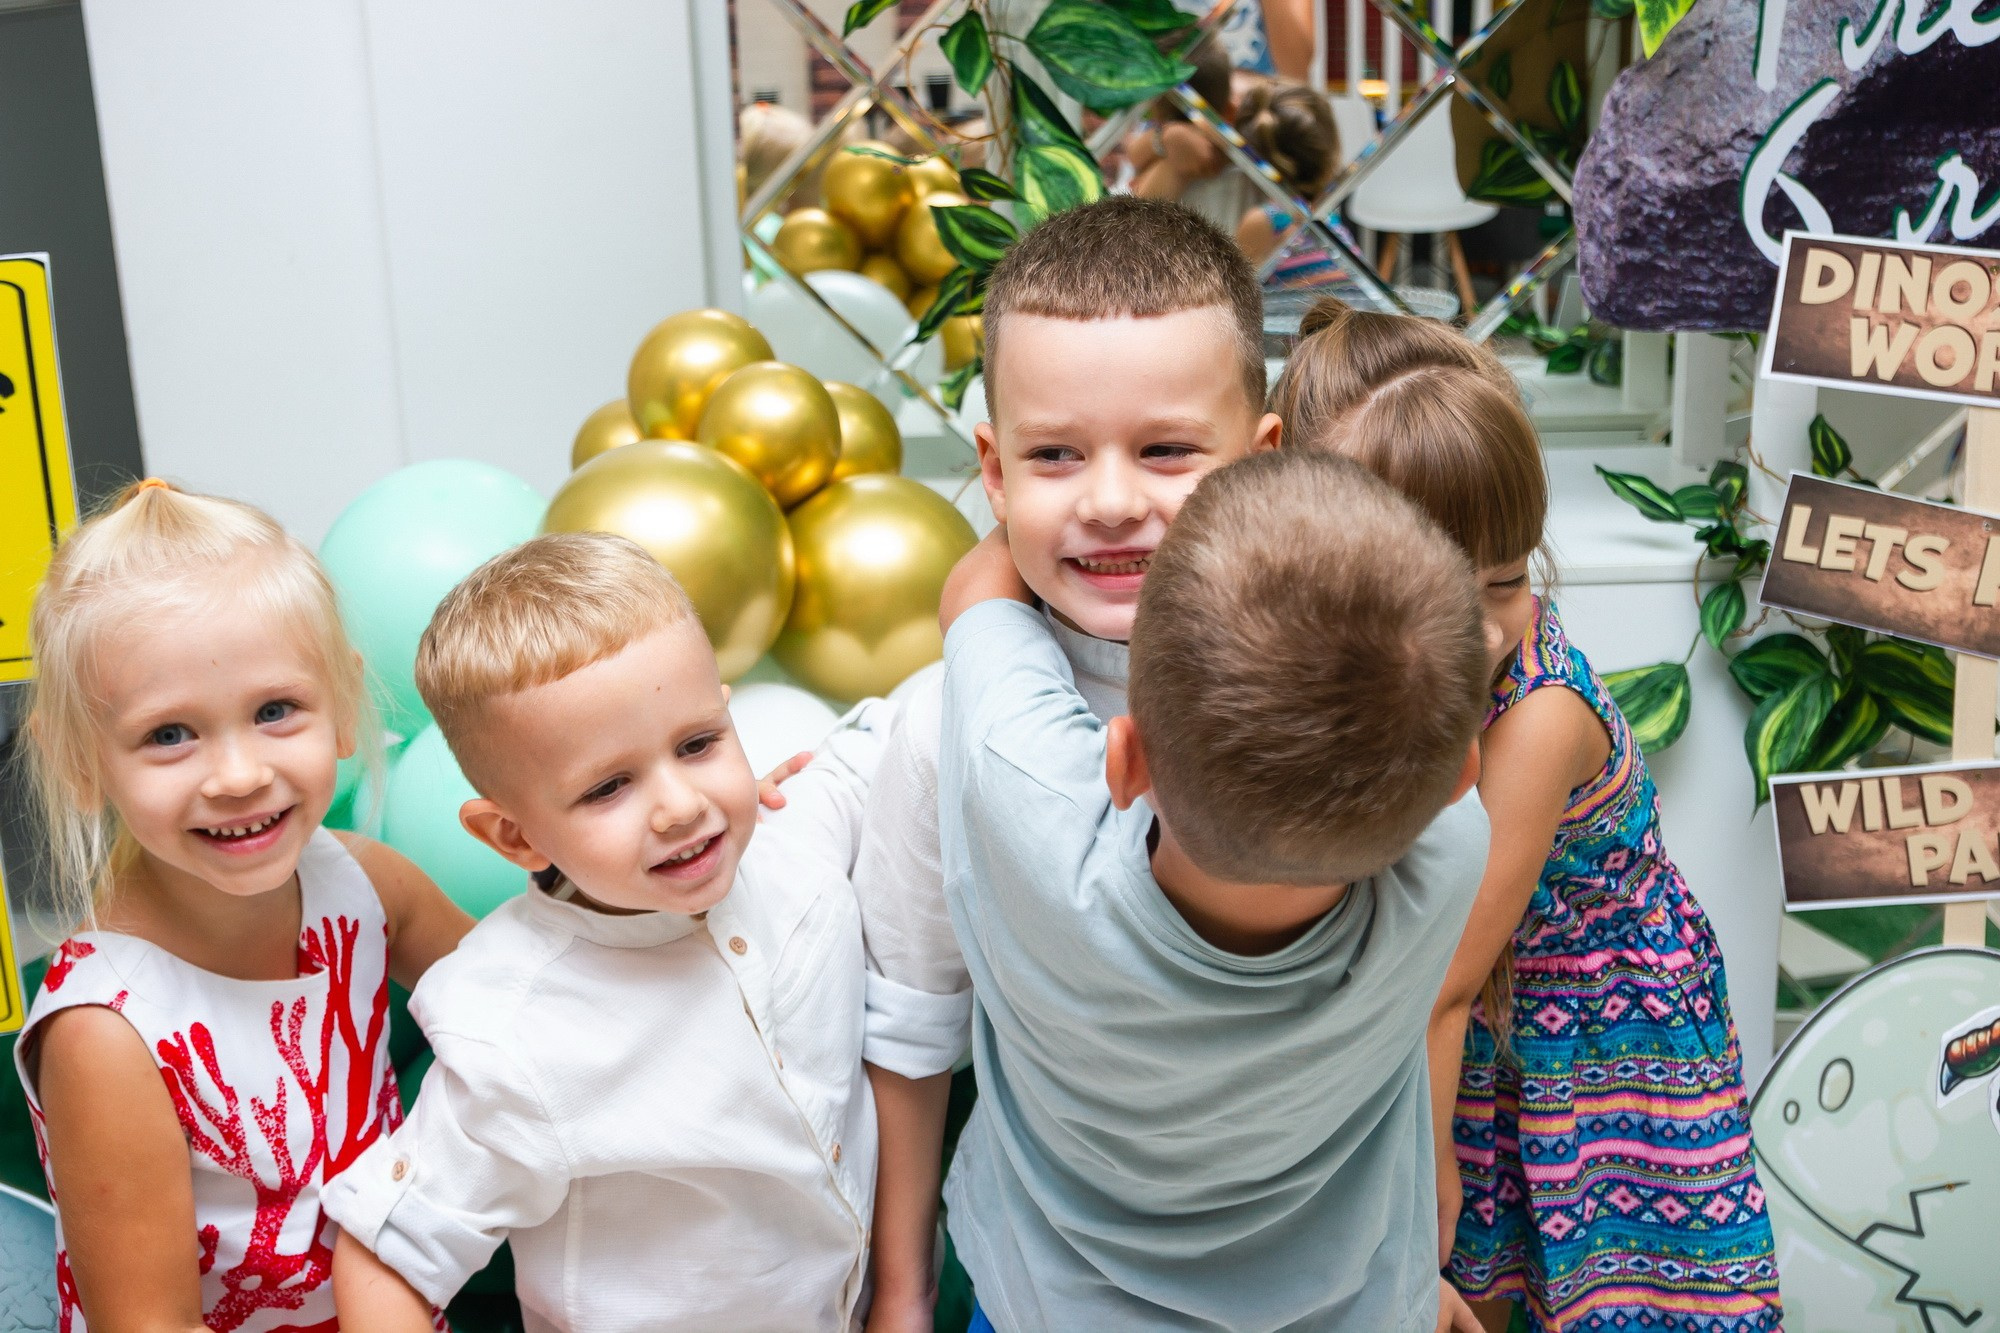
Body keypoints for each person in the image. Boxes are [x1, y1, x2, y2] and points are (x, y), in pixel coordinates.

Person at [1274, 302, 1784, 1333]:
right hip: (1476, 1023)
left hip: (1590, 1039)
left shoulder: (1539, 715)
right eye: (1422, 585)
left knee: (1569, 1291)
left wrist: (1413, 1239)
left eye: (1504, 581)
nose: (1477, 625)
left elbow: (1439, 988)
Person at [935, 450, 1494, 1330]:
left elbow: (979, 589)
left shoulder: (1031, 813)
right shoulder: (1451, 858)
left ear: (1122, 761)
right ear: (1462, 775)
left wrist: (1064, 487)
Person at [856, 195, 1282, 1332]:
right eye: (1053, 454)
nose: (1107, 501)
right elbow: (912, 1024)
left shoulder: (1331, 697)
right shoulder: (939, 724)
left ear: (1262, 453)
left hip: (1304, 1277)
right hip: (1046, 1286)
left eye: (1166, 451)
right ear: (991, 473)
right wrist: (899, 1293)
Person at [323, 532, 892, 1332]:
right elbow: (387, 1249)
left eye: (698, 744)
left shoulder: (796, 838)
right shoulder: (519, 1029)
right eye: (608, 787)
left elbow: (903, 731)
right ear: (517, 838)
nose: (681, 805)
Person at [12, 478, 472, 1332]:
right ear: (80, 760)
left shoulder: (368, 887)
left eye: (274, 711)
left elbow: (528, 1011)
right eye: (169, 734)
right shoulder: (108, 1034)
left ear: (340, 706)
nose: (237, 775)